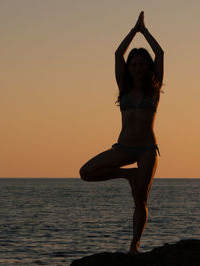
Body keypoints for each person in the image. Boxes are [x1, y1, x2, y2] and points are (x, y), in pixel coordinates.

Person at [79, 11, 164, 255]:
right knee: (86, 172)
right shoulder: (123, 87)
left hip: (148, 149)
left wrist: (145, 32)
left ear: (147, 68)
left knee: (141, 199)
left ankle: (134, 246)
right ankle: (128, 176)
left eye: (141, 64)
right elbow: (118, 54)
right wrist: (133, 31)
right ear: (129, 68)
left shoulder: (153, 90)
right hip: (123, 148)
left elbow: (160, 54)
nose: (137, 67)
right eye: (133, 64)